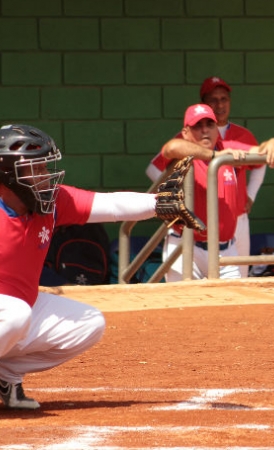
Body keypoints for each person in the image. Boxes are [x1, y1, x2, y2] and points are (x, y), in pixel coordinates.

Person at [0, 124, 164, 409]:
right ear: (8, 174)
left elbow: (110, 205)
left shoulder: (50, 203)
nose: (45, 176)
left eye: (44, 167)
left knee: (89, 323)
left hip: (17, 305)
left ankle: (5, 377)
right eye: (35, 169)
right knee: (15, 314)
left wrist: (159, 203)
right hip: (10, 310)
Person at [147, 76, 264, 278]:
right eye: (213, 100)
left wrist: (250, 195)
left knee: (240, 290)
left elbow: (261, 158)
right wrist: (174, 194)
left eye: (224, 99)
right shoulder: (185, 142)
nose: (219, 104)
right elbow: (163, 157)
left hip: (231, 226)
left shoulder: (235, 139)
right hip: (188, 238)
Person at [159, 103, 274, 281]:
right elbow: (171, 148)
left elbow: (260, 152)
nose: (205, 131)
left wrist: (273, 143)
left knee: (232, 303)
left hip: (224, 250)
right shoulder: (183, 154)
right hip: (186, 247)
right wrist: (215, 157)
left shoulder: (228, 150)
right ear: (186, 132)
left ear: (217, 128)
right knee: (186, 305)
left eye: (209, 125)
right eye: (197, 126)